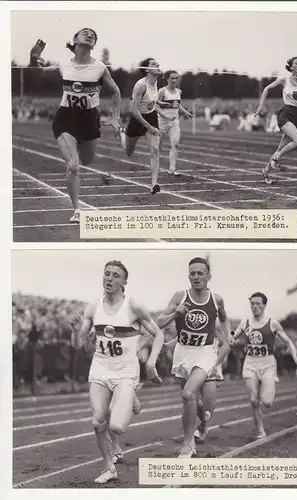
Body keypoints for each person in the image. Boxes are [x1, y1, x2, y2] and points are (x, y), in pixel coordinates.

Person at [70, 260, 164, 484]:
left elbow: (158, 335)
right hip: (101, 369)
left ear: (124, 282)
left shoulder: (133, 306)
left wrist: (151, 363)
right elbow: (77, 344)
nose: (109, 279)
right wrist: (75, 331)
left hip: (125, 371)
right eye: (106, 274)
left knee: (117, 426)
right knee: (97, 422)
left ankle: (129, 395)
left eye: (115, 275)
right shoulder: (93, 306)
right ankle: (109, 467)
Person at [29, 30, 121, 223]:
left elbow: (116, 91)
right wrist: (33, 57)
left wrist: (115, 117)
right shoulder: (63, 65)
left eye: (93, 36)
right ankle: (77, 209)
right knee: (73, 166)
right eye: (85, 33)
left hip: (89, 119)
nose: (89, 35)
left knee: (86, 160)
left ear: (94, 45)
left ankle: (77, 155)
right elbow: (37, 71)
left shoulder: (100, 67)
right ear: (75, 40)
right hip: (66, 118)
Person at [157, 257, 231, 457]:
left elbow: (224, 319)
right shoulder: (180, 296)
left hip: (205, 352)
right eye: (192, 273)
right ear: (188, 276)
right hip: (183, 352)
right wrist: (175, 314)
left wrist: (229, 334)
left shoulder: (217, 299)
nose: (196, 277)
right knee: (191, 401)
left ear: (208, 276)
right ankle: (203, 420)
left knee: (188, 394)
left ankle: (188, 443)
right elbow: (159, 322)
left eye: (200, 273)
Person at [232, 292, 297, 438]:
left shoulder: (273, 323)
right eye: (253, 303)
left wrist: (295, 357)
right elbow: (233, 337)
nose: (255, 306)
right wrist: (229, 338)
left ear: (264, 305)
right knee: (253, 400)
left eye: (258, 304)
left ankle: (266, 388)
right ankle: (260, 430)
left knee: (267, 402)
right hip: (250, 363)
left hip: (268, 364)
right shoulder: (245, 322)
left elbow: (288, 341)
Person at [255, 57, 297, 184]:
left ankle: (266, 170)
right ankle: (276, 158)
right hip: (286, 114)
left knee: (281, 147)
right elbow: (266, 89)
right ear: (291, 67)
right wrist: (261, 106)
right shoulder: (284, 80)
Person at [120, 58, 166, 194]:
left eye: (158, 63)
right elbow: (133, 110)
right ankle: (123, 134)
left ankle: (154, 184)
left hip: (151, 116)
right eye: (154, 64)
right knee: (128, 151)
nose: (158, 65)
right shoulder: (140, 85)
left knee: (155, 150)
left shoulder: (157, 81)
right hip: (137, 118)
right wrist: (149, 127)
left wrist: (160, 106)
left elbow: (151, 102)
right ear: (147, 70)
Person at [157, 70, 193, 176]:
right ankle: (155, 166)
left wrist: (185, 112)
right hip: (162, 122)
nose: (174, 80)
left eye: (176, 78)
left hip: (174, 122)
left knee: (175, 144)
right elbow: (156, 107)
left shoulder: (179, 92)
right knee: (158, 147)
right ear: (167, 79)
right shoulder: (162, 91)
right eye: (172, 78)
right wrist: (166, 116)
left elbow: (177, 104)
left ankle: (172, 169)